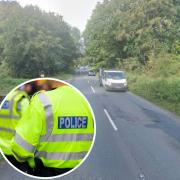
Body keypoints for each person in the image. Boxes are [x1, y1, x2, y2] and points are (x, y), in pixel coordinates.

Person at [10, 82, 94, 177]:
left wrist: (24, 162)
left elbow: (21, 149)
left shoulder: (42, 101)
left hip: (47, 172)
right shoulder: (85, 101)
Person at [0, 89, 30, 171]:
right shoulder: (23, 101)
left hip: (3, 147)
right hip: (17, 148)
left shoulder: (6, 98)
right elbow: (28, 127)